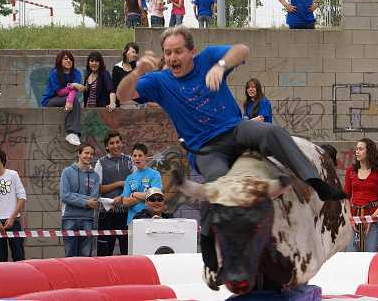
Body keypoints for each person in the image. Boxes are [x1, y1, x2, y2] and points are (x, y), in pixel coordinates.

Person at [116, 26, 345, 272]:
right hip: (206, 148)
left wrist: (221, 66)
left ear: (192, 51)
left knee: (273, 132)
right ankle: (207, 238)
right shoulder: (159, 81)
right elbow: (123, 94)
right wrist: (138, 71)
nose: (173, 57)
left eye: (178, 51)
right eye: (168, 52)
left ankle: (315, 182)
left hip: (235, 130)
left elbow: (242, 49)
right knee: (217, 184)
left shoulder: (207, 59)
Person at [344, 138, 378, 252]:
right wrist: (350, 218)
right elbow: (346, 197)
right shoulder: (351, 171)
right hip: (354, 217)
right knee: (351, 254)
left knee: (369, 254)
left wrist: (372, 218)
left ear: (369, 151)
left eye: (360, 149)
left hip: (373, 217)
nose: (357, 152)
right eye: (356, 149)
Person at [93, 130, 133, 256]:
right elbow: (98, 189)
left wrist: (123, 196)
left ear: (122, 143)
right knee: (104, 253)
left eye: (117, 142)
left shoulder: (130, 161)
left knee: (128, 252)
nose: (115, 145)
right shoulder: (100, 163)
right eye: (112, 143)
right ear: (107, 146)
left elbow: (136, 186)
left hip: (127, 213)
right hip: (107, 214)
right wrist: (119, 183)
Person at [60, 143, 100, 257]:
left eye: (91, 154)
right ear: (79, 154)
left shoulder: (95, 176)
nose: (89, 156)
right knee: (70, 256)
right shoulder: (67, 172)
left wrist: (73, 196)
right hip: (69, 218)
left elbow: (94, 199)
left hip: (88, 219)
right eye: (86, 153)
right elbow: (64, 196)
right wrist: (86, 202)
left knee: (86, 257)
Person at [41, 50, 84, 146]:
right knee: (74, 100)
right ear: (60, 61)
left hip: (66, 100)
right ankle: (71, 132)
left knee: (74, 101)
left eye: (71, 59)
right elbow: (60, 92)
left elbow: (74, 90)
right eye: (66, 59)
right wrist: (73, 86)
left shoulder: (76, 73)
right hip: (50, 100)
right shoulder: (54, 73)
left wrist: (69, 100)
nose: (69, 61)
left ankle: (72, 134)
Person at [122, 143, 162, 226]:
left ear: (146, 157)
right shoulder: (129, 178)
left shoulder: (155, 174)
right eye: (134, 156)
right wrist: (145, 196)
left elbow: (155, 196)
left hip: (150, 220)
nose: (137, 158)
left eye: (140, 155)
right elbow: (125, 202)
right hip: (132, 221)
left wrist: (134, 194)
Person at [112, 42, 140, 107]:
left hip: (136, 104)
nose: (135, 54)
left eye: (136, 53)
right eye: (133, 52)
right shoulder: (117, 67)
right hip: (122, 104)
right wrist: (113, 102)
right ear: (125, 52)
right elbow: (114, 88)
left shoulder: (138, 67)